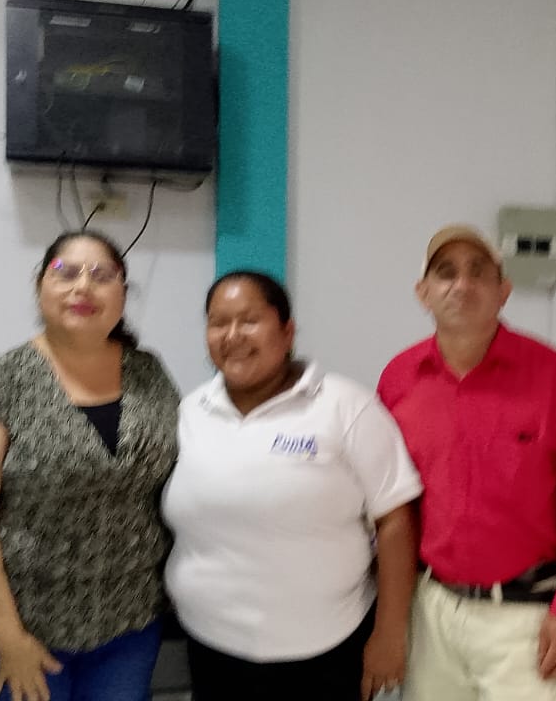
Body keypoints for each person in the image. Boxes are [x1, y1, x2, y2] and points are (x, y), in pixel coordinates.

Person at [377, 225, 556, 701]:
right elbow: (390, 505)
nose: (462, 285)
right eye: (445, 273)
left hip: (526, 620)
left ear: (503, 291)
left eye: (478, 272)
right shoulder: (399, 379)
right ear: (423, 293)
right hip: (432, 611)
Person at [163, 270, 422, 701]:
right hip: (210, 648)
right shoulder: (191, 411)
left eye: (249, 320)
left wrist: (390, 633)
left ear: (287, 331)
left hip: (326, 654)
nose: (233, 335)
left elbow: (396, 519)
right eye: (218, 322)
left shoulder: (345, 406)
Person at [0, 230, 179, 701]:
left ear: (123, 294)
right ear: (40, 287)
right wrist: (9, 639)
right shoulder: (3, 379)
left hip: (131, 623)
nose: (83, 286)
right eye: (65, 272)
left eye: (102, 275)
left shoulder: (149, 373)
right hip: (27, 627)